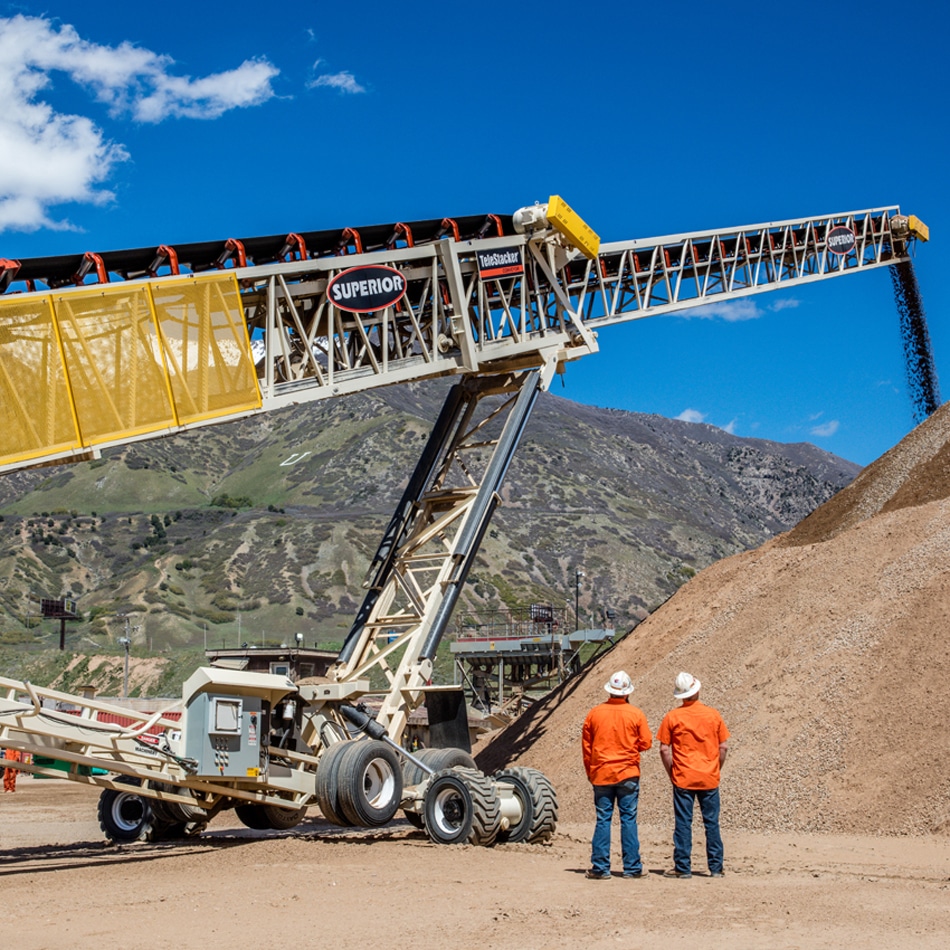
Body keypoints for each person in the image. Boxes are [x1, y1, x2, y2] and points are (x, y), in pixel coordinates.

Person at [657, 672, 730, 878]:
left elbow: (664, 749)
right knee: (711, 823)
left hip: (683, 777)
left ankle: (683, 867)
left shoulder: (672, 717)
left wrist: (672, 772)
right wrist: (716, 768)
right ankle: (716, 867)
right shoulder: (713, 715)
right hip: (709, 776)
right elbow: (723, 747)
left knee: (683, 822)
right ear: (696, 690)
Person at [581, 670, 653, 879]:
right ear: (627, 692)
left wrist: (590, 771)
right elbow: (646, 743)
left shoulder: (595, 713)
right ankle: (632, 868)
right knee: (628, 819)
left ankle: (600, 868)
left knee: (603, 819)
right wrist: (630, 746)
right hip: (628, 773)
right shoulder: (635, 713)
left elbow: (587, 747)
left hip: (601, 773)